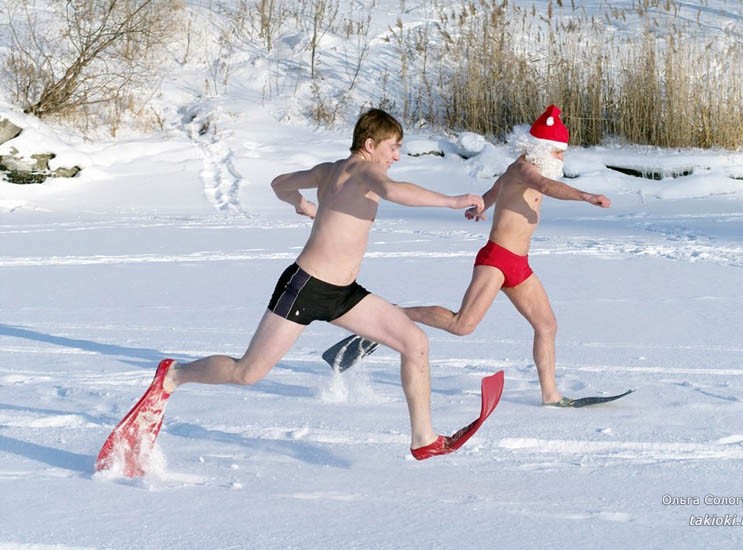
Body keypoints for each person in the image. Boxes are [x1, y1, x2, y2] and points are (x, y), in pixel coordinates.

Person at [134, 108, 485, 460]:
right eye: (393, 147)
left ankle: (423, 438)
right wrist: (452, 201)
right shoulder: (366, 170)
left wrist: (302, 203)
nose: (396, 156)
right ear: (369, 144)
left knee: (414, 342)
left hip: (343, 293)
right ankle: (174, 375)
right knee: (247, 373)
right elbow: (394, 191)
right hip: (305, 288)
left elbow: (279, 184)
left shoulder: (329, 171)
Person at [403, 105, 611, 406]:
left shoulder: (523, 171)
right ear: (541, 149)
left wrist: (483, 206)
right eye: (558, 153)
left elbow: (496, 188)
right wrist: (586, 196)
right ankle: (396, 314)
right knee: (463, 325)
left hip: (519, 265)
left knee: (547, 325)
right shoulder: (525, 170)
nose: (562, 159)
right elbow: (545, 186)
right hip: (496, 260)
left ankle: (551, 395)